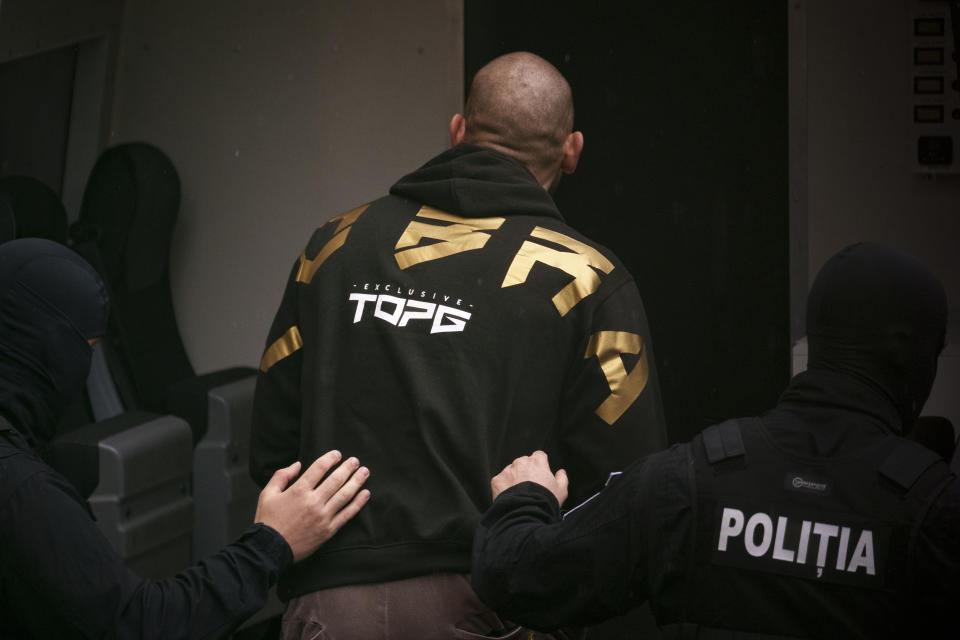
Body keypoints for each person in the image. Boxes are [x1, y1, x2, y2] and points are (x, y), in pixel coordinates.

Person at [250, 51, 667, 638]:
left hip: (329, 599)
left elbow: (271, 447)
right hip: (494, 599)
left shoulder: (334, 247)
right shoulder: (589, 279)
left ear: (458, 131)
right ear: (572, 150)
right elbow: (627, 489)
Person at [472, 242, 958, 638]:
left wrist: (524, 497)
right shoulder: (936, 514)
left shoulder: (686, 484)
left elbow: (515, 573)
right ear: (908, 356)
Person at [0, 238, 371, 638]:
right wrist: (273, 543)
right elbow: (140, 627)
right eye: (82, 351)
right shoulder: (22, 489)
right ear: (45, 345)